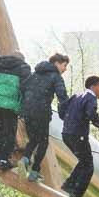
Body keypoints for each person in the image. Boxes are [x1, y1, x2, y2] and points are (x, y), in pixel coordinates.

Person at [18, 54, 70, 182]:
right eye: (64, 65)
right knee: (43, 141)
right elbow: (62, 95)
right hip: (41, 112)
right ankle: (34, 171)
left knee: (33, 139)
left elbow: (23, 87)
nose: (65, 69)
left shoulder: (35, 74)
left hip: (28, 111)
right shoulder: (55, 76)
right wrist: (68, 111)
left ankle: (25, 159)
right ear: (57, 63)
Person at [60, 75, 99, 197]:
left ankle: (69, 185)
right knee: (89, 166)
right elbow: (91, 113)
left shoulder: (76, 96)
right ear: (93, 86)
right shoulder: (90, 98)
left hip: (66, 133)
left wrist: (70, 122)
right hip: (78, 135)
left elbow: (62, 109)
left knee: (84, 162)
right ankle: (76, 194)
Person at [0, 52, 32, 170]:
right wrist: (25, 107)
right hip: (10, 104)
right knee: (9, 131)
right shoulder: (23, 68)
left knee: (0, 129)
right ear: (22, 59)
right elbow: (26, 88)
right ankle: (4, 159)